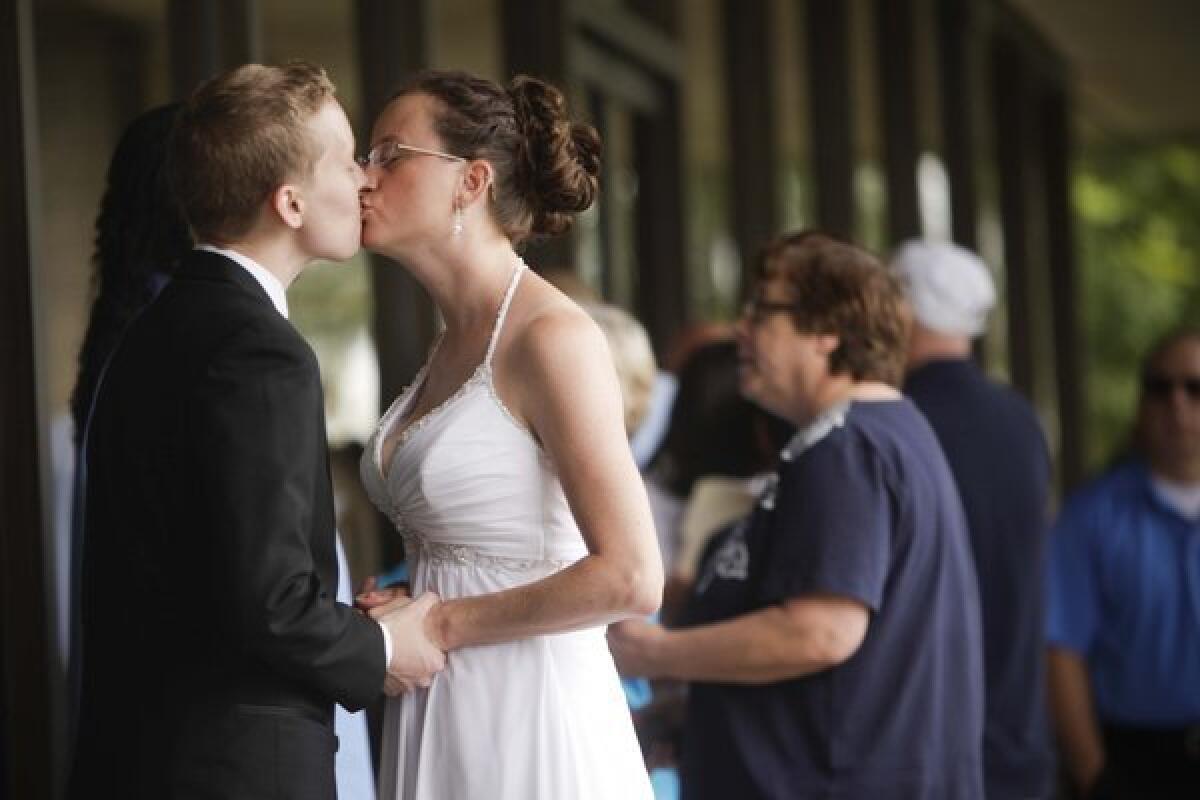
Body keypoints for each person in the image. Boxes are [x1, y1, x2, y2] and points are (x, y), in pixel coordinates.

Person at [69, 62, 444, 800]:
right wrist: (381, 645)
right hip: (235, 770)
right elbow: (267, 600)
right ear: (291, 202)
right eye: (347, 160)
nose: (367, 179)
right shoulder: (258, 350)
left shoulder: (153, 332)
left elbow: (203, 568)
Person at [353, 69, 662, 800]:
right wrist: (401, 604)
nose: (362, 176)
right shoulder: (450, 337)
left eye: (389, 153)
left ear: (471, 182)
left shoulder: (553, 337)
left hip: (532, 710)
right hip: (441, 701)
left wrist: (442, 622)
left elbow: (631, 576)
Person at [609, 231, 985, 799]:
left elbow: (819, 632)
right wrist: (689, 715)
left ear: (829, 330)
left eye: (763, 310)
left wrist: (657, 652)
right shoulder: (874, 439)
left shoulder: (850, 448)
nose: (742, 328)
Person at [891, 240, 1055, 800]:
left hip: (930, 747)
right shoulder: (1020, 421)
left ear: (901, 310)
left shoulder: (896, 426)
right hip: (1019, 734)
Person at [1046, 326, 1200, 799]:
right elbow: (1060, 653)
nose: (1177, 404)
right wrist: (1096, 778)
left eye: (1196, 388)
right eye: (1160, 387)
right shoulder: (1090, 517)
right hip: (1133, 761)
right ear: (1141, 403)